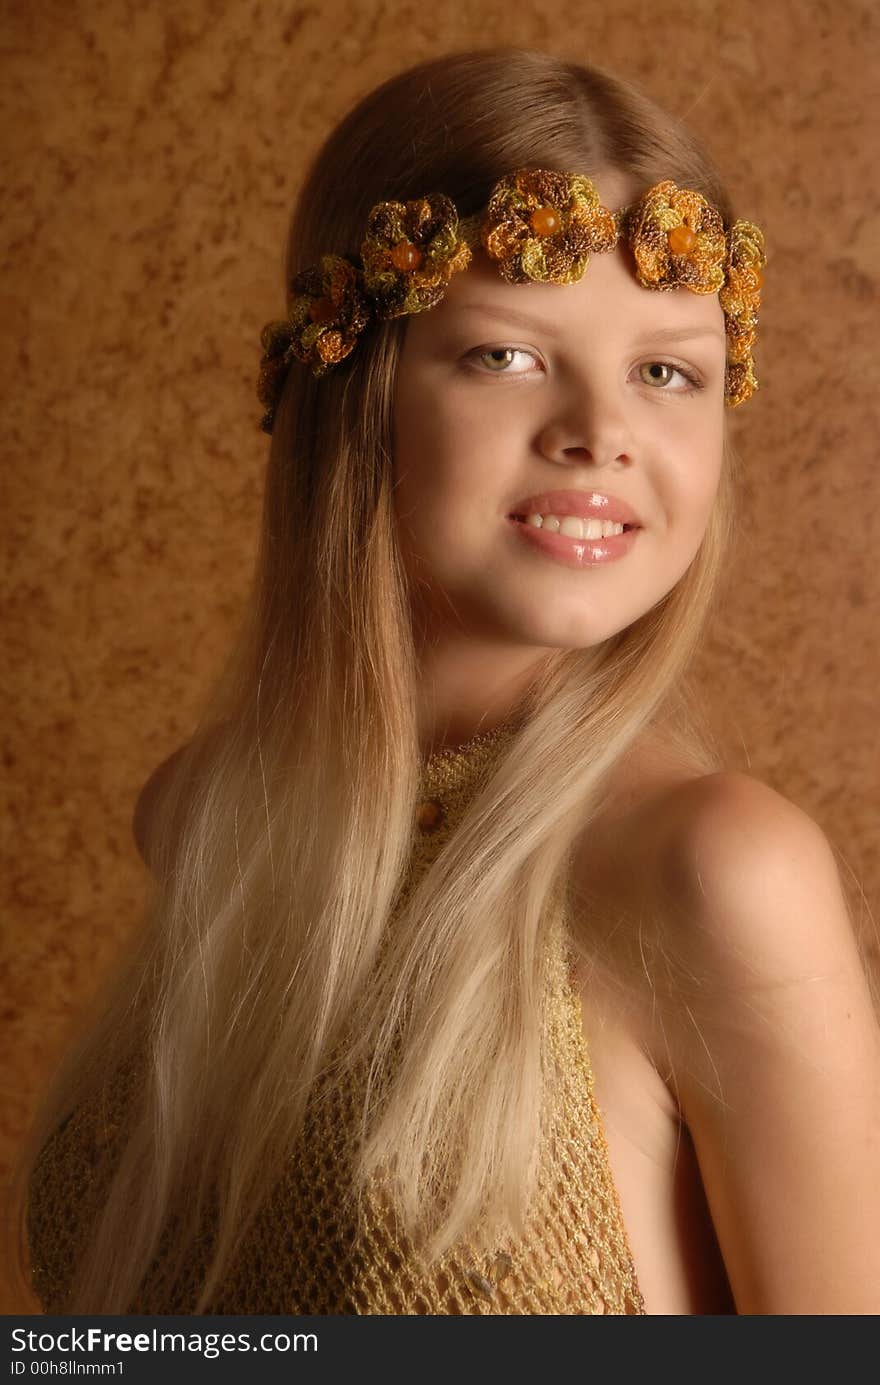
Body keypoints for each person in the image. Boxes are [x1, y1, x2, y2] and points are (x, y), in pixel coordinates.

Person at [15, 47, 880, 1316]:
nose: (602, 429)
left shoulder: (711, 870)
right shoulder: (210, 816)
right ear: (350, 386)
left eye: (667, 370)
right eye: (509, 356)